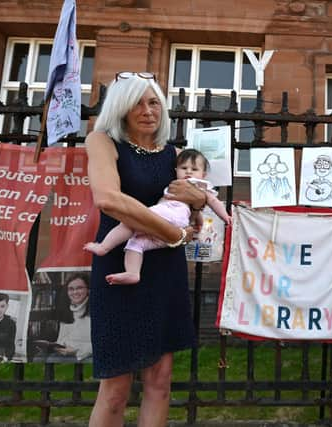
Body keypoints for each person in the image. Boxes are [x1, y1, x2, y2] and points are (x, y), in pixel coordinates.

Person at [85, 71, 209, 426]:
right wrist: (172, 232)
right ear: (120, 108)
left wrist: (198, 205)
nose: (147, 110)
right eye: (137, 102)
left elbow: (196, 198)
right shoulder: (103, 142)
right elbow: (109, 199)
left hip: (163, 271)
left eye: (154, 101)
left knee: (160, 380)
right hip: (120, 265)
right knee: (115, 387)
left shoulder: (174, 153)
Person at [83, 148, 231, 284]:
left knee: (130, 222)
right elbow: (196, 209)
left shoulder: (198, 184)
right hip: (169, 229)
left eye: (194, 169)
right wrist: (199, 221)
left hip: (169, 214)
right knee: (135, 243)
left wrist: (226, 217)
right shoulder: (178, 183)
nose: (188, 172)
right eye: (184, 168)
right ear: (176, 170)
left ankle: (104, 246)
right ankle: (133, 273)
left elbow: (213, 201)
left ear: (203, 175)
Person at [0, 293, 16, 362]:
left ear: (7, 307)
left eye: (2, 306)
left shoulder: (11, 324)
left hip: (1, 358)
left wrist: (6, 358)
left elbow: (11, 345)